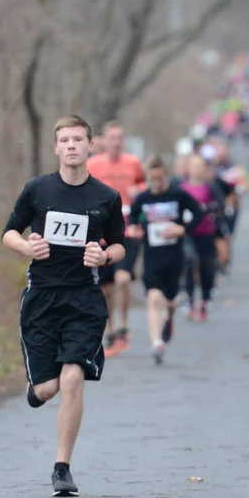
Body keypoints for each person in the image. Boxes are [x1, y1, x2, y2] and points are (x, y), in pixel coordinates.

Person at [2, 116, 127, 496]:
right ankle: (37, 388)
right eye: (65, 140)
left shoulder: (105, 197)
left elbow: (121, 245)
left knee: (74, 377)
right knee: (47, 389)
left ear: (91, 146)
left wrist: (104, 256)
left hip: (84, 299)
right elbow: (8, 232)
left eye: (78, 139)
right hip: (41, 297)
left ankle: (62, 468)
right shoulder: (37, 190)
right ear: (56, 148)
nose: (72, 145)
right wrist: (27, 247)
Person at [130, 155, 203, 366]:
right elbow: (133, 220)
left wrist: (183, 229)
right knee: (153, 298)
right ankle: (156, 343)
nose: (157, 184)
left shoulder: (178, 195)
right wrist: (136, 230)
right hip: (152, 257)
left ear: (166, 175)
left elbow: (198, 213)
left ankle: (169, 317)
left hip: (175, 256)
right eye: (153, 180)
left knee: (170, 300)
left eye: (160, 179)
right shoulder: (143, 199)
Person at [85, 122, 145, 355]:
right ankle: (110, 331)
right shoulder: (93, 165)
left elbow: (144, 185)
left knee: (123, 279)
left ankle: (123, 325)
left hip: (127, 230)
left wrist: (138, 190)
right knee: (106, 288)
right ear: (104, 140)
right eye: (112, 138)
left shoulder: (133, 162)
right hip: (101, 233)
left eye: (120, 138)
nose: (116, 142)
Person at [180, 155, 223, 322]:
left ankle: (204, 300)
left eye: (199, 166)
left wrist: (206, 208)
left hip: (206, 232)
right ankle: (189, 302)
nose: (196, 169)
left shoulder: (210, 187)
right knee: (189, 265)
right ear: (188, 168)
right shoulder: (181, 188)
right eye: (193, 165)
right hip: (188, 233)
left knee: (206, 268)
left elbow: (220, 205)